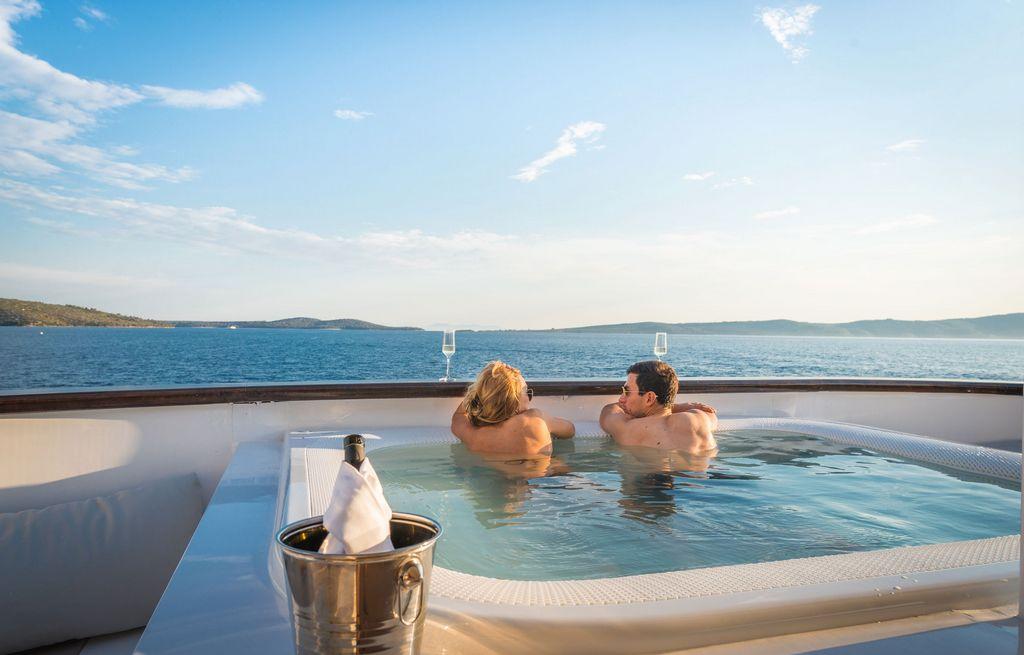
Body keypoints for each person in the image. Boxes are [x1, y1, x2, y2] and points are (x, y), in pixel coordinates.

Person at [451, 361, 575, 455]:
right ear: (515, 403)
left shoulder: (476, 437)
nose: (530, 398)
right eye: (527, 393)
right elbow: (570, 430)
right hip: (545, 477)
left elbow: (458, 417)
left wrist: (480, 390)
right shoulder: (535, 420)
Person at [600, 360, 718, 453]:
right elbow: (711, 414)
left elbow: (608, 411)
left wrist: (678, 407)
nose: (621, 399)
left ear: (649, 398)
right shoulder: (700, 419)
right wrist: (677, 407)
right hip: (700, 476)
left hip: (654, 476)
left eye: (627, 392)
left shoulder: (629, 428)